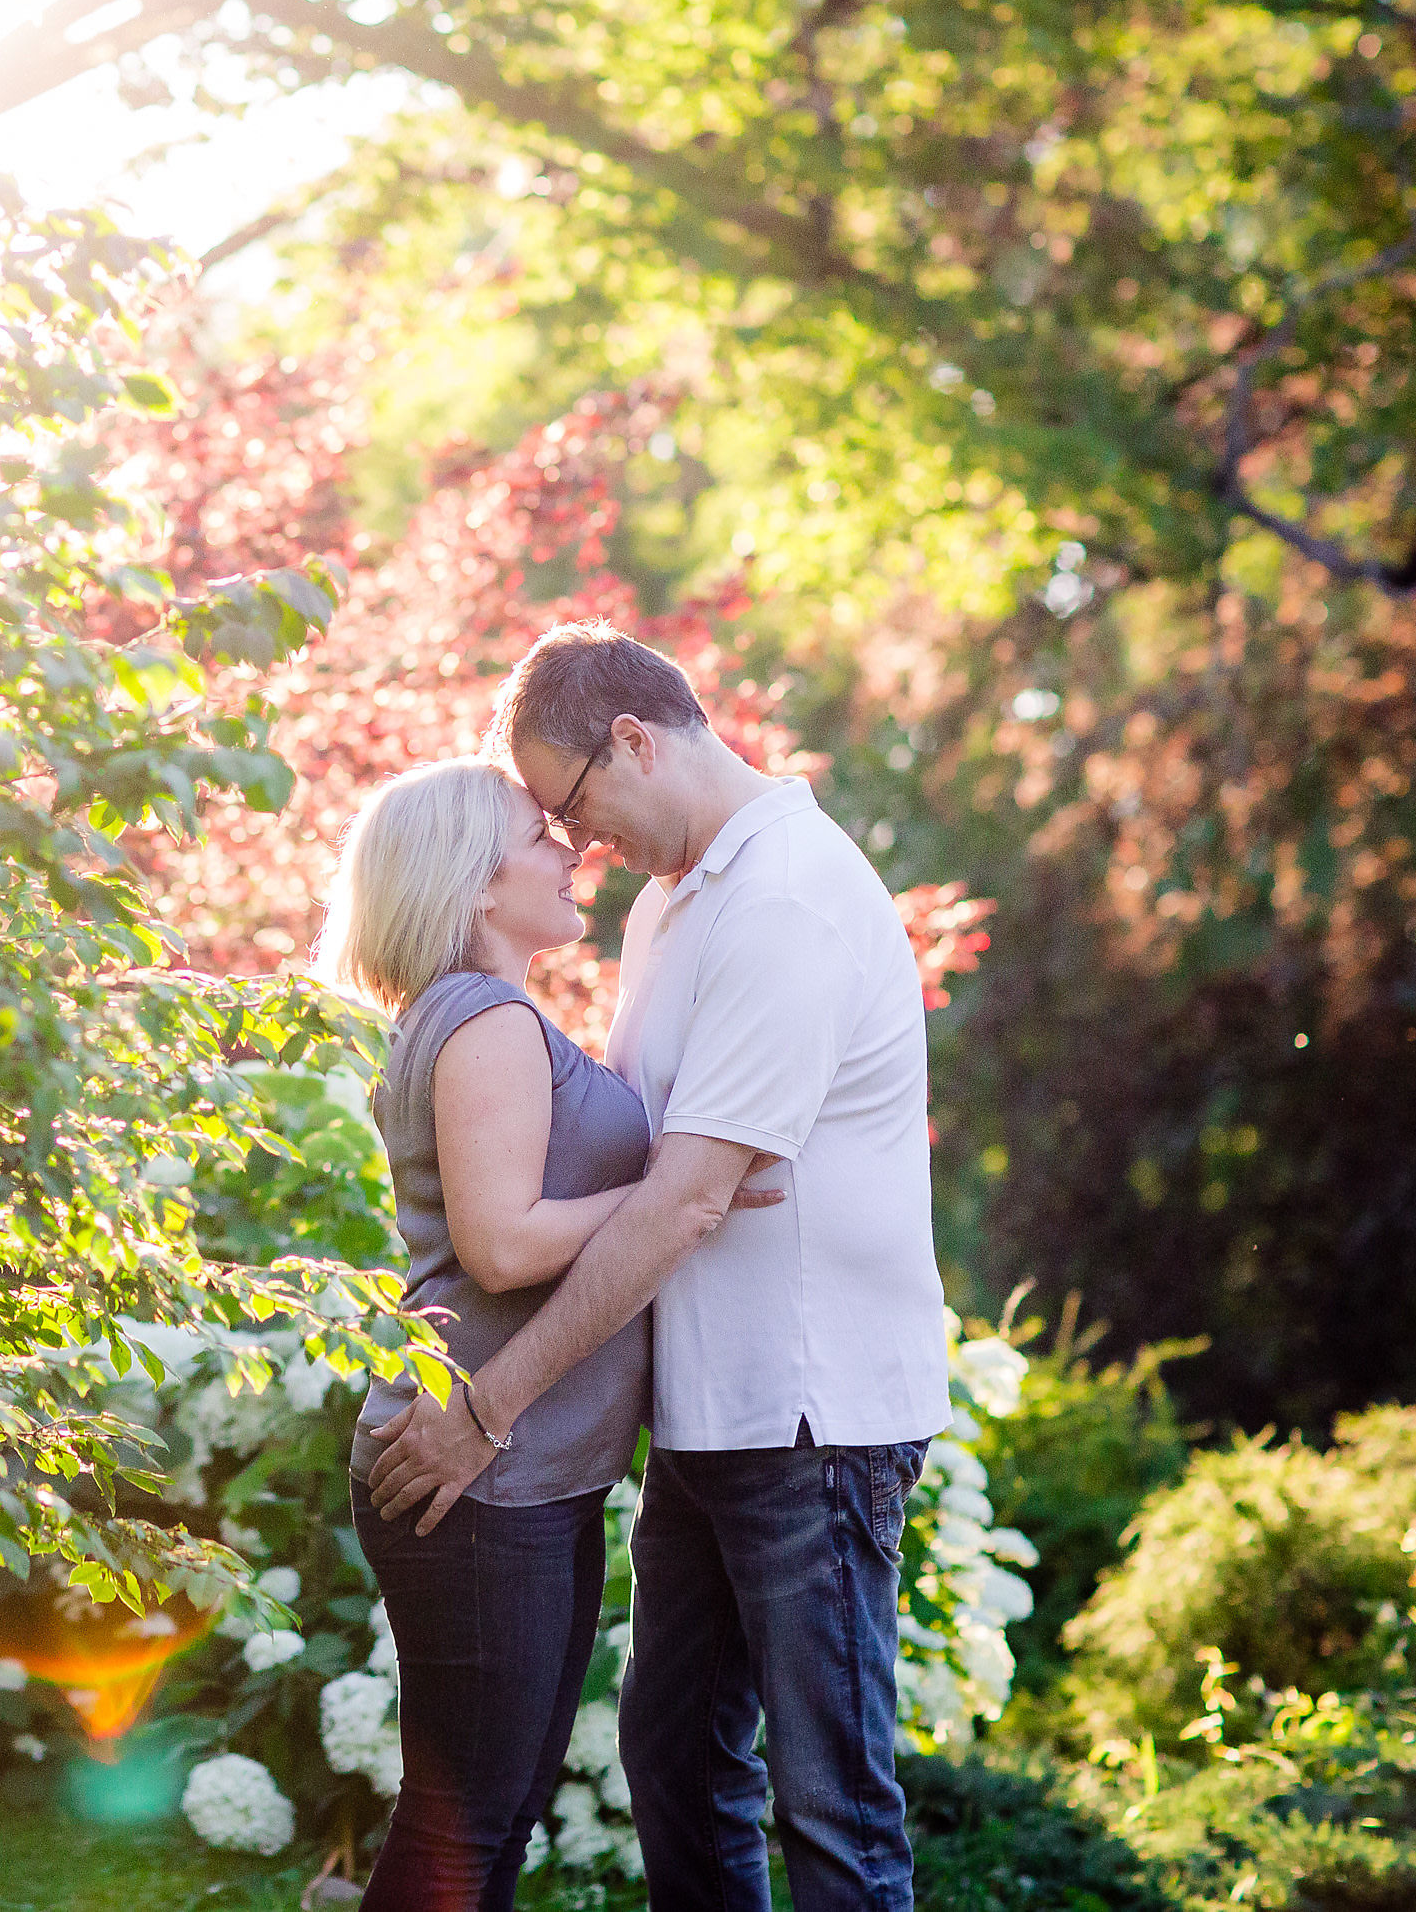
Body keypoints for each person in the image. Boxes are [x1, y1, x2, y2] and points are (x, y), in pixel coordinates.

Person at [363, 622, 948, 1912]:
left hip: (813, 1415)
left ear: (633, 739)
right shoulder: (683, 897)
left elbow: (686, 1205)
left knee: (832, 1808)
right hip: (708, 1414)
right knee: (676, 1759)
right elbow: (646, 1172)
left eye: (574, 803)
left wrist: (488, 1411)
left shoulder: (784, 897)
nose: (580, 843)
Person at [314, 756, 779, 1912]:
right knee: (465, 1818)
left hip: (516, 1472)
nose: (573, 846)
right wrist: (683, 1190)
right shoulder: (485, 1018)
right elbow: (504, 1246)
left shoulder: (483, 1014)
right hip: (472, 1474)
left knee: (493, 1810)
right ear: (476, 884)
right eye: (541, 835)